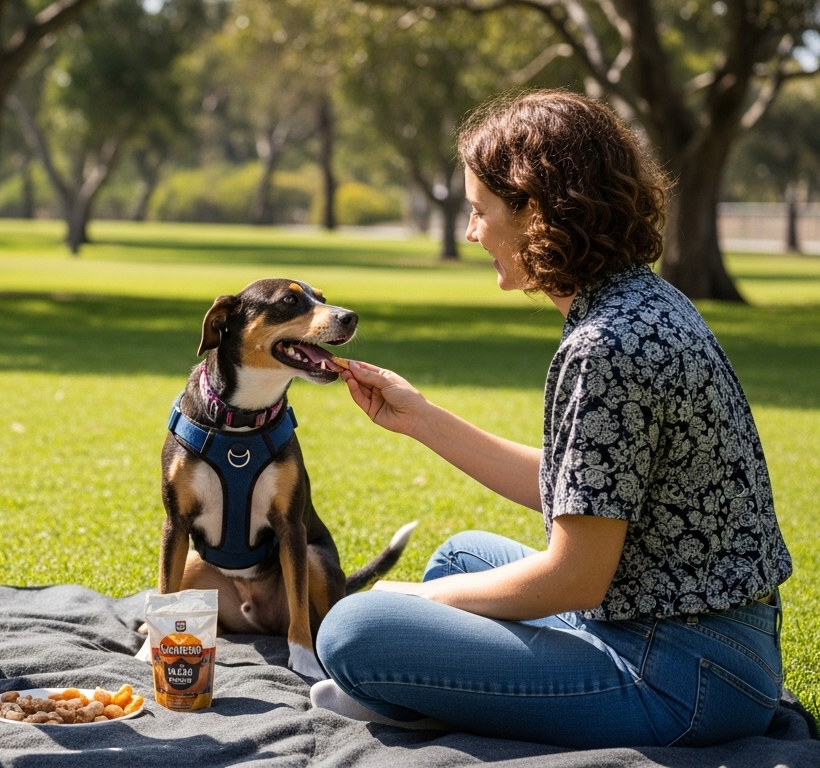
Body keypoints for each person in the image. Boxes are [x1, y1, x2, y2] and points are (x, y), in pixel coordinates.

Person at [311, 90, 792, 749]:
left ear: (535, 209)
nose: (473, 232)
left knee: (354, 630)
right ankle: (440, 690)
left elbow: (576, 576)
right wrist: (420, 419)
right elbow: (586, 490)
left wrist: (415, 607)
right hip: (693, 633)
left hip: (685, 676)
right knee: (460, 558)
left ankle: (425, 690)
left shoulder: (607, 346)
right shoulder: (640, 301)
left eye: (481, 211)